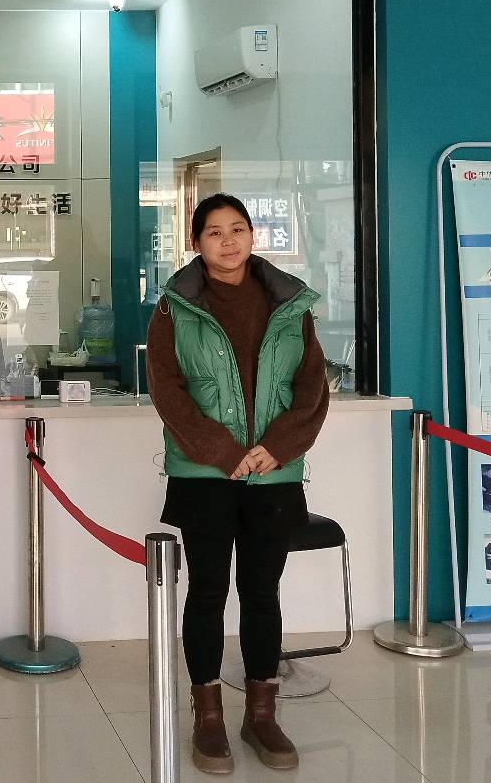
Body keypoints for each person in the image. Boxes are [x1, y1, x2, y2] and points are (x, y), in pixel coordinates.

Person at [146, 193, 329, 774]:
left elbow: (312, 386)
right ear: (196, 243)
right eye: (214, 232)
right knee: (206, 593)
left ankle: (261, 714)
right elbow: (167, 390)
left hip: (274, 472)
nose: (228, 241)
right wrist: (225, 453)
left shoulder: (291, 303)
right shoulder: (174, 308)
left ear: (253, 235)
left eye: (238, 229)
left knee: (261, 592)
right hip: (205, 473)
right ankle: (207, 718)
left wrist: (278, 447)